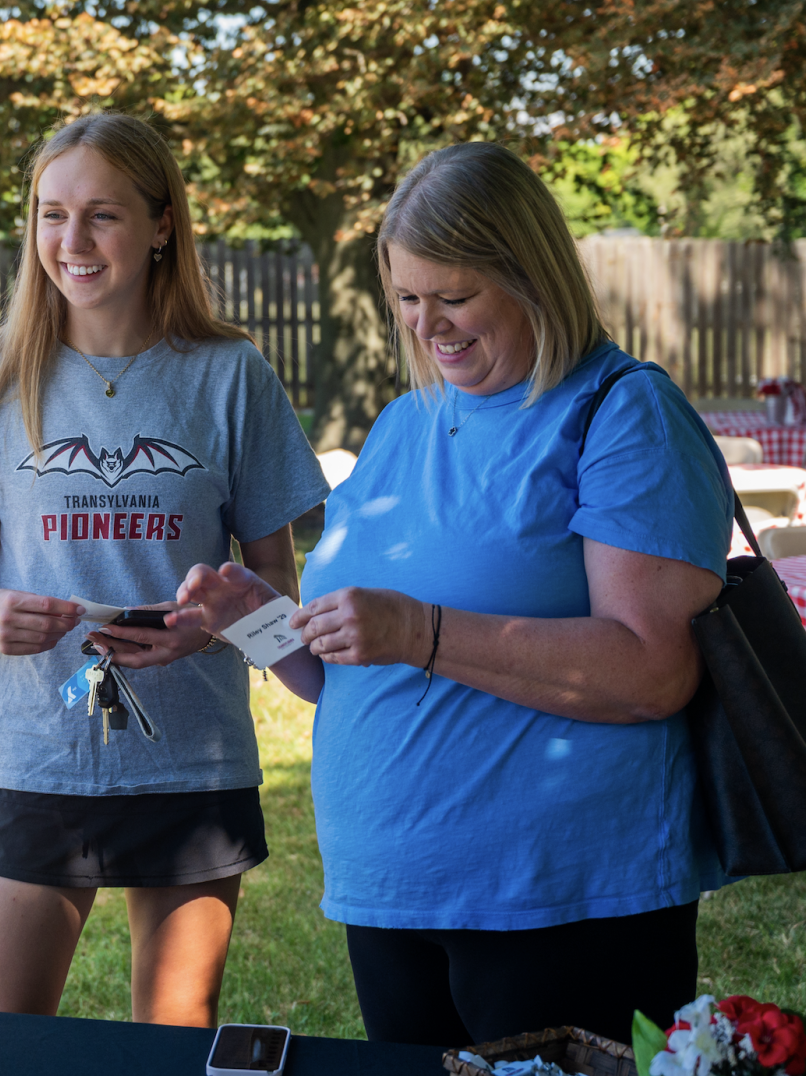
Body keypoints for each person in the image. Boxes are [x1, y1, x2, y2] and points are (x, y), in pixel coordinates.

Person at [171, 142, 735, 1047]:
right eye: (405, 298)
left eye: (455, 295)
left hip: (557, 896)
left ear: (532, 273)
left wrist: (420, 631)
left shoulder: (620, 413)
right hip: (391, 887)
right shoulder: (403, 424)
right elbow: (345, 676)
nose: (427, 324)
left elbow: (652, 670)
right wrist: (264, 627)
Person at [0, 113, 328, 1026]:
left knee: (171, 1049)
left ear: (162, 223)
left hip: (193, 762)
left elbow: (280, 602)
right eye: (51, 215)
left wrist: (216, 626)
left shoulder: (231, 375)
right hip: (42, 758)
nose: (73, 241)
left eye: (102, 214)